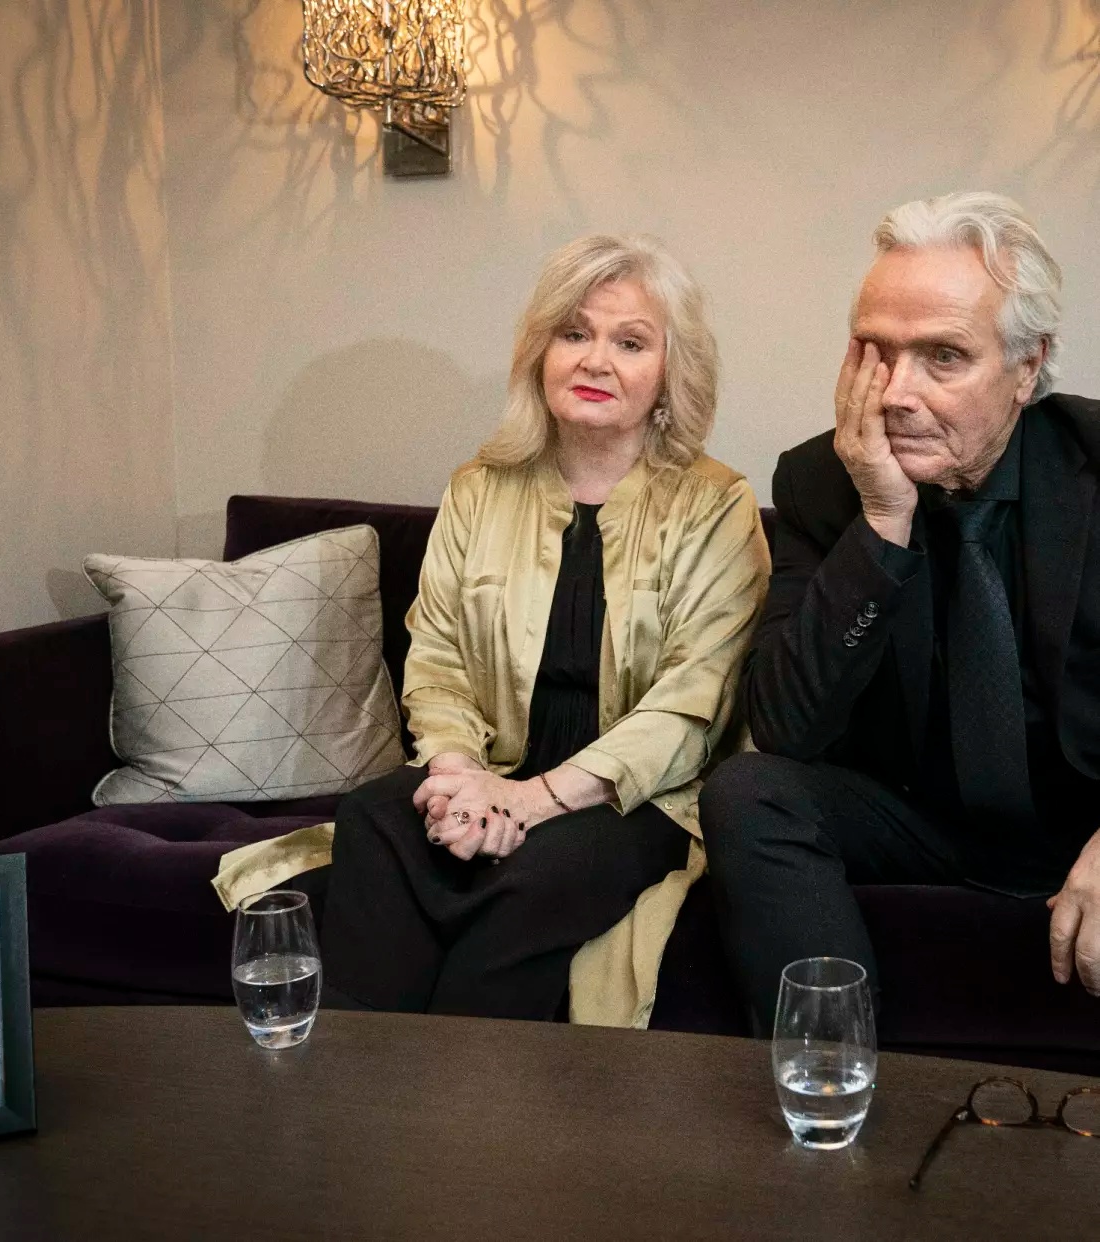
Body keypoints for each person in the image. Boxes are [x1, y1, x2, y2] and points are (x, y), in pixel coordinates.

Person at [312, 233, 770, 1023]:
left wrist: (527, 802)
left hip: (636, 796)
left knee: (529, 873)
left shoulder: (717, 506)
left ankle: (458, 1092)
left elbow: (695, 704)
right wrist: (459, 779)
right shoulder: (478, 489)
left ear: (671, 372)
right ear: (540, 353)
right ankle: (361, 1073)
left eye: (630, 343)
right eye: (574, 333)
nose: (596, 360)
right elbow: (438, 659)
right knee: (373, 818)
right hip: (491, 769)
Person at [699, 191, 1100, 1034]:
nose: (895, 393)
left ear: (1028, 367)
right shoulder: (823, 482)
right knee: (750, 791)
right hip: (921, 819)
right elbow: (786, 727)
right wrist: (883, 519)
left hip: (1080, 821)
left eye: (943, 357)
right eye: (876, 354)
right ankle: (832, 1067)